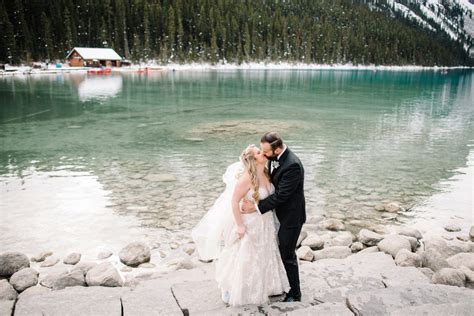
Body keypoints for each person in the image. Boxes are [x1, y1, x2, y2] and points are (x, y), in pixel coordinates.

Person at [192, 144, 289, 306]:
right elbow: (234, 201)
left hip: (264, 222)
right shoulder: (246, 179)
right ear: (253, 160)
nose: (263, 153)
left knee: (264, 252)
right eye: (259, 152)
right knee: (247, 255)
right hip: (250, 223)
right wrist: (239, 225)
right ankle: (236, 288)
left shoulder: (266, 173)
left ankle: (267, 285)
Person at [241, 132, 306, 302]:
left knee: (287, 253)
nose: (263, 154)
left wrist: (255, 207)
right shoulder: (273, 158)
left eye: (266, 151)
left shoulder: (292, 165)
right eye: (260, 150)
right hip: (278, 215)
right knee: (278, 250)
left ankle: (295, 293)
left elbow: (281, 196)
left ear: (277, 150)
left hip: (291, 217)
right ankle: (277, 282)